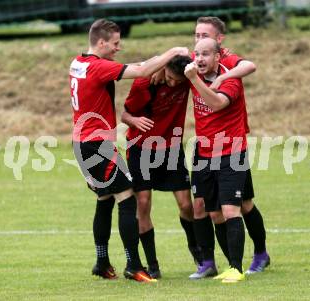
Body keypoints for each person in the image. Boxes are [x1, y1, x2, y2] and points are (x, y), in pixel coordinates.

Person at [69, 18, 188, 283]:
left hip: (82, 143)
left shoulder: (77, 63)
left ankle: (101, 262)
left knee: (105, 199)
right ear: (101, 42)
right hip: (96, 145)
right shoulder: (98, 67)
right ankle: (134, 265)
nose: (117, 48)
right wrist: (173, 52)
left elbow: (141, 68)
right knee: (127, 197)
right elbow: (143, 71)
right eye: (114, 43)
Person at [186, 17, 270, 279]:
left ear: (219, 47)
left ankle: (248, 260)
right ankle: (216, 264)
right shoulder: (194, 63)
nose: (198, 49)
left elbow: (217, 103)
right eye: (196, 39)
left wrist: (216, 80)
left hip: (230, 150)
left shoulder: (230, 70)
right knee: (209, 209)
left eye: (204, 40)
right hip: (204, 150)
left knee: (237, 207)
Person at [120, 55, 199, 279]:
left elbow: (193, 53)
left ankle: (197, 251)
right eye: (171, 78)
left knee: (186, 205)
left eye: (178, 81)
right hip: (141, 149)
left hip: (171, 149)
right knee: (143, 204)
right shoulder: (145, 83)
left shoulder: (187, 76)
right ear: (164, 69)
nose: (174, 84)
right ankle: (152, 265)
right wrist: (134, 121)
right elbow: (124, 114)